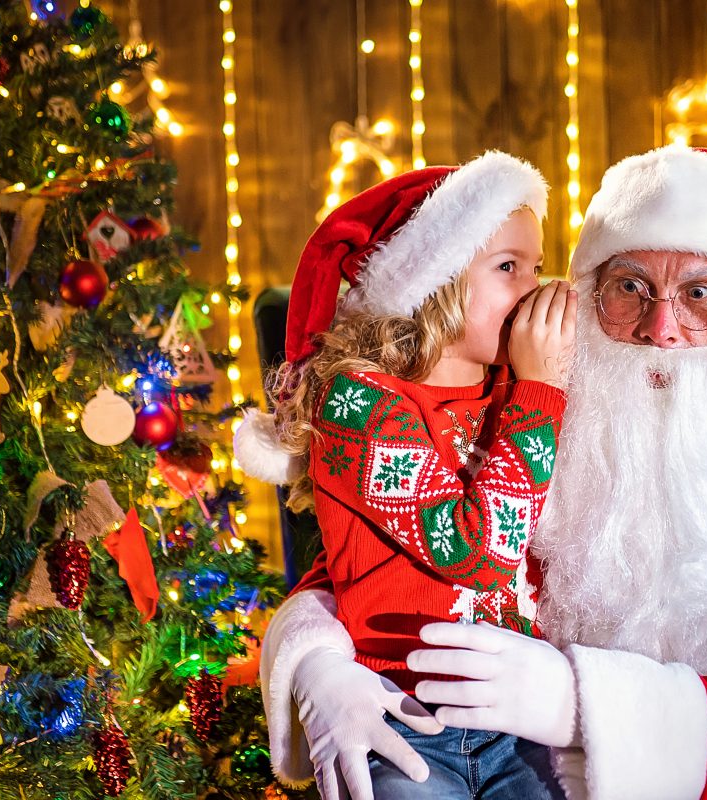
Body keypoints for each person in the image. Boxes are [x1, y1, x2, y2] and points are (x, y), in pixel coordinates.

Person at [250, 146, 707, 800]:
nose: (661, 328)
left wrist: (580, 704)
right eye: (630, 287)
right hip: (517, 764)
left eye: (701, 294)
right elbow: (375, 550)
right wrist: (316, 663)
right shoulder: (548, 412)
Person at [235, 151, 575, 799]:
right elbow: (471, 553)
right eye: (508, 268)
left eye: (536, 266)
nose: (534, 290)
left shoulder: (522, 390)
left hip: (522, 720)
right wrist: (540, 393)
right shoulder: (358, 404)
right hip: (405, 720)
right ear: (436, 280)